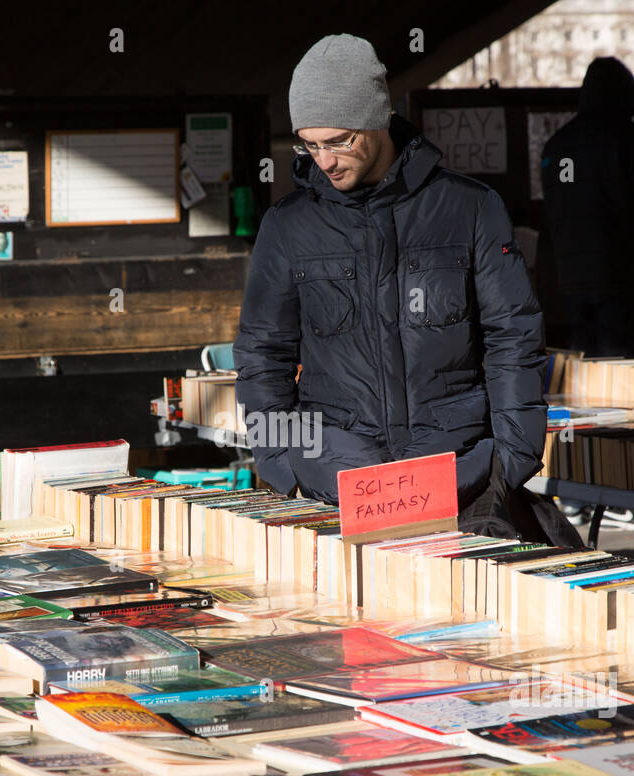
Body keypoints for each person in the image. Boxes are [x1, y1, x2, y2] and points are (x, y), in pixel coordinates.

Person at [234, 34, 565, 543]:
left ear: (378, 119)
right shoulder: (287, 226)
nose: (324, 160)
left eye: (340, 140)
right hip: (336, 479)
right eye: (310, 144)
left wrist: (512, 457)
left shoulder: (469, 207)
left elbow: (513, 338)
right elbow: (263, 355)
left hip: (460, 475)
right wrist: (282, 464)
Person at [541, 56, 634, 531]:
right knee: (624, 391)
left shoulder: (558, 144)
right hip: (624, 281)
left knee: (580, 395)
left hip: (571, 288)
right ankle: (620, 496)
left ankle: (575, 494)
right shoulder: (632, 139)